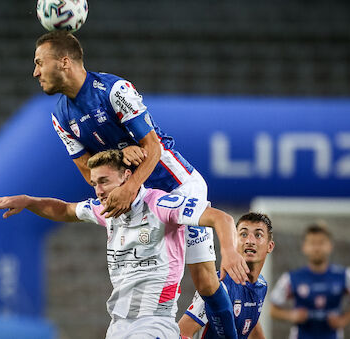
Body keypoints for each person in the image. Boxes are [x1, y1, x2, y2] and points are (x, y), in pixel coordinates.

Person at [33, 30, 247, 336]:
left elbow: (154, 147)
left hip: (177, 187)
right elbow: (87, 170)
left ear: (64, 62)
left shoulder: (114, 90)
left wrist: (129, 186)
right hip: (136, 198)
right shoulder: (60, 118)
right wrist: (121, 158)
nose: (36, 71)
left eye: (40, 62)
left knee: (204, 279)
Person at [0, 150, 248, 338]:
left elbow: (220, 218)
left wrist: (229, 252)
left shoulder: (159, 203)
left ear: (126, 177)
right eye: (94, 183)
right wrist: (28, 201)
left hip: (154, 323)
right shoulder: (106, 210)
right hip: (119, 326)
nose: (98, 190)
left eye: (104, 181)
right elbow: (64, 210)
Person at [178, 212, 275, 339]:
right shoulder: (217, 286)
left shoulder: (261, 285)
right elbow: (182, 332)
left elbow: (251, 323)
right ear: (234, 242)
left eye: (258, 235)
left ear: (270, 246)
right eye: (244, 234)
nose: (250, 241)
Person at [269, 222, 350, 339]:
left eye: (321, 243)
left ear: (330, 246)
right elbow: (272, 310)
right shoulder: (291, 278)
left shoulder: (345, 275)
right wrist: (292, 316)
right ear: (304, 247)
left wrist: (343, 320)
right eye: (312, 243)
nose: (316, 248)